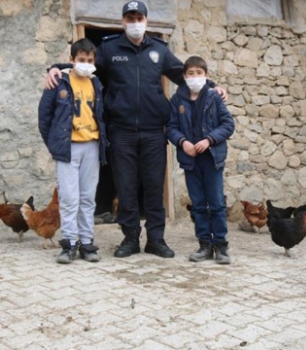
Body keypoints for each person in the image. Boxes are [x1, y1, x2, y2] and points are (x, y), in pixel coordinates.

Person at [45, 1, 227, 259]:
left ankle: (156, 239)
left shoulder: (159, 50)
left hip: (154, 131)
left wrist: (213, 85)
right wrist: (55, 68)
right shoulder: (109, 48)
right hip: (121, 131)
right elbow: (82, 61)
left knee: (154, 186)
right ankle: (130, 239)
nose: (134, 22)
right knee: (127, 187)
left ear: (146, 20)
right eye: (130, 18)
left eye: (139, 17)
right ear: (123, 22)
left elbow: (182, 75)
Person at [38, 38, 108, 264]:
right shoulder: (59, 81)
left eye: (89, 60)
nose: (85, 64)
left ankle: (87, 243)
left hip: (92, 145)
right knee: (68, 198)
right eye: (81, 60)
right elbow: (44, 117)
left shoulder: (96, 83)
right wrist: (55, 145)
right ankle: (68, 244)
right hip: (68, 148)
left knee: (87, 198)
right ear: (71, 60)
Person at [166, 56, 235, 264]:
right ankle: (204, 244)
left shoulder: (214, 98)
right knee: (197, 204)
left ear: (206, 75)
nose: (195, 77)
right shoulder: (177, 100)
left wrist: (209, 140)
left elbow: (227, 125)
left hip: (212, 159)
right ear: (184, 77)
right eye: (190, 73)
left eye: (199, 73)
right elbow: (170, 127)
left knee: (216, 203)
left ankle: (221, 245)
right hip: (190, 161)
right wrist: (183, 142)